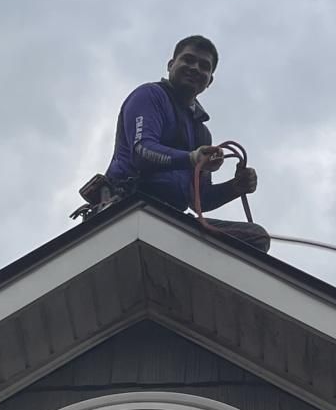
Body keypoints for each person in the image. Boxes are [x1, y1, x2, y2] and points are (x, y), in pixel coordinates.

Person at [104, 36, 270, 252]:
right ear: (171, 65)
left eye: (204, 66)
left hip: (172, 217)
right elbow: (142, 151)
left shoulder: (201, 133)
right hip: (130, 205)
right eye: (188, 60)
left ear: (209, 80)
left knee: (255, 237)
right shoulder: (150, 95)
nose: (195, 68)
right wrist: (191, 158)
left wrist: (234, 188)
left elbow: (200, 199)